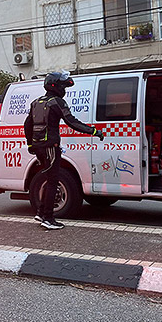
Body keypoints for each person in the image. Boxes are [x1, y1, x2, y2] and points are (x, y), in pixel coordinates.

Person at [24, 70, 104, 230]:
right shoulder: (57, 102)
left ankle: (40, 212)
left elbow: (27, 125)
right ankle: (48, 218)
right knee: (53, 180)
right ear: (56, 86)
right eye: (63, 87)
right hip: (51, 147)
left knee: (48, 178)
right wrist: (93, 131)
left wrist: (30, 144)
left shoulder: (36, 102)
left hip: (39, 147)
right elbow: (72, 121)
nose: (65, 90)